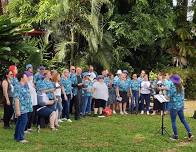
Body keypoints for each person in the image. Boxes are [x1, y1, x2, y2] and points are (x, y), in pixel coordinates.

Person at [168, 74, 194, 141]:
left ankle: (176, 136)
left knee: (173, 121)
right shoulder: (181, 87)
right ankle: (190, 133)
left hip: (173, 106)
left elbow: (169, 96)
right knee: (183, 120)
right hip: (180, 106)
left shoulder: (173, 87)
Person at [14, 73, 32, 143]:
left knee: (20, 121)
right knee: (23, 121)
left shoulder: (24, 86)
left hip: (25, 107)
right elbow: (16, 99)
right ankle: (20, 138)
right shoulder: (18, 86)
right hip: (21, 108)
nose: (27, 78)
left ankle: (16, 136)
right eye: (25, 77)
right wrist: (17, 110)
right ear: (21, 78)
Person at [24, 64, 38, 132]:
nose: (30, 77)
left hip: (34, 98)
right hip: (30, 99)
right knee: (29, 113)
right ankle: (25, 128)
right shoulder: (26, 84)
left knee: (32, 113)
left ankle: (29, 126)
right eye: (30, 68)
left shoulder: (31, 82)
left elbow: (33, 84)